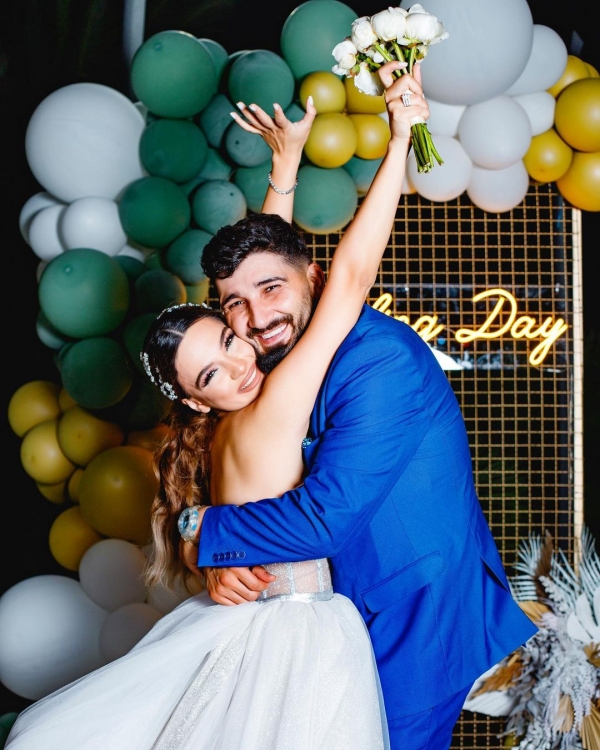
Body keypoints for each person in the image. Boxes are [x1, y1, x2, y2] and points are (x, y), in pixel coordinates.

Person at [4, 59, 433, 749]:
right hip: (299, 630)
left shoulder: (222, 424)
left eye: (231, 342)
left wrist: (284, 171)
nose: (243, 357)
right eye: (213, 372)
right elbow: (347, 276)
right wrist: (401, 138)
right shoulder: (272, 404)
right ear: (196, 400)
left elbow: (263, 278)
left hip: (244, 620)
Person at [177, 82, 541, 750]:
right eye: (232, 306)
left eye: (272, 291)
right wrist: (283, 172)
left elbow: (326, 517)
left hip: (414, 614)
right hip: (342, 606)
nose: (255, 318)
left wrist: (205, 530)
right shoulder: (280, 348)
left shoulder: (381, 362)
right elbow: (269, 275)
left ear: (314, 279)